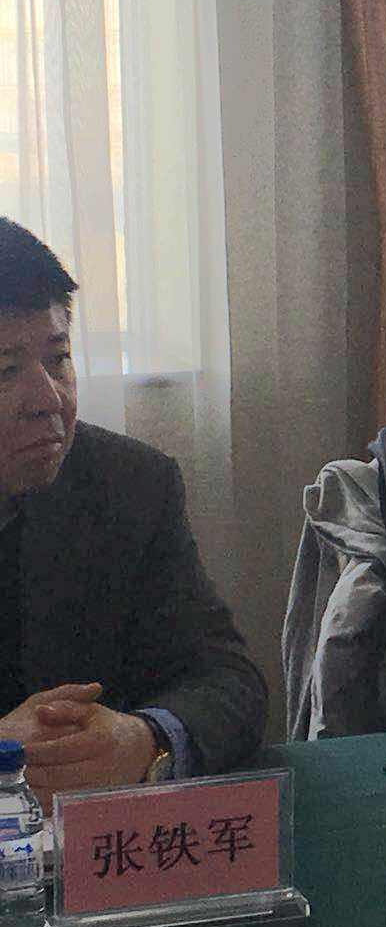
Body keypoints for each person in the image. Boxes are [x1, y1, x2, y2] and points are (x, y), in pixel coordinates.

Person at [0, 218, 266, 809]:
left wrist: (143, 739)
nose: (48, 399)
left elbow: (227, 679)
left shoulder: (130, 485)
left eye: (58, 359)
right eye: (6, 370)